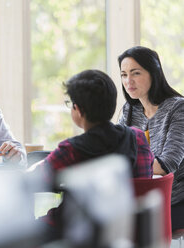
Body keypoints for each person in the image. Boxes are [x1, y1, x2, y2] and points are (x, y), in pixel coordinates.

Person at [27, 69, 153, 236]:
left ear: (78, 110)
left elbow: (34, 181)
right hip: (127, 231)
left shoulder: (71, 150)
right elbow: (144, 181)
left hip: (78, 232)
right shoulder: (137, 138)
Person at [117, 46, 184, 232]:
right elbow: (115, 150)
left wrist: (123, 164)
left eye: (135, 73)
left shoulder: (178, 108)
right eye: (123, 75)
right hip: (139, 197)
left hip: (175, 201)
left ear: (154, 73)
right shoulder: (130, 110)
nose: (128, 81)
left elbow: (167, 164)